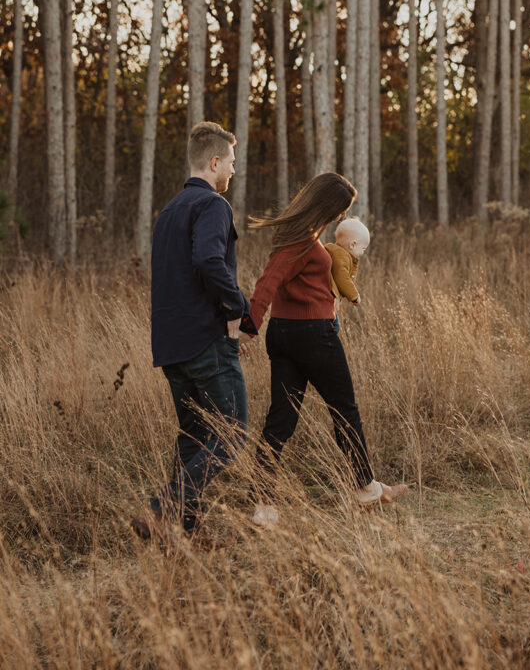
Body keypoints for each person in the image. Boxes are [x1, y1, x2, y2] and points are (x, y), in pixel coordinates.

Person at [245, 172, 406, 527]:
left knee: (280, 420)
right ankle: (365, 488)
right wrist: (247, 327)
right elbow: (268, 279)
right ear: (327, 205)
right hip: (313, 335)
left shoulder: (297, 233)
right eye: (340, 210)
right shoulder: (302, 239)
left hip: (285, 334)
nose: (340, 218)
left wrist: (255, 326)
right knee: (344, 409)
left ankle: (264, 505)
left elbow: (274, 280)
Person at [132, 121, 256, 547]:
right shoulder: (213, 206)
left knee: (193, 436)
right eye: (232, 164)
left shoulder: (168, 211)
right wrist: (239, 307)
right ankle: (161, 508)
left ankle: (184, 531)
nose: (234, 172)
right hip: (206, 341)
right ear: (215, 161)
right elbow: (207, 260)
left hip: (170, 345)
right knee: (232, 434)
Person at [324, 217, 370, 333]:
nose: (362, 253)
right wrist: (354, 295)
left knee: (334, 327)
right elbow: (342, 277)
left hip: (327, 302)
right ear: (353, 245)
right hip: (327, 302)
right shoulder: (342, 256)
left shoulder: (336, 252)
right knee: (334, 328)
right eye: (363, 249)